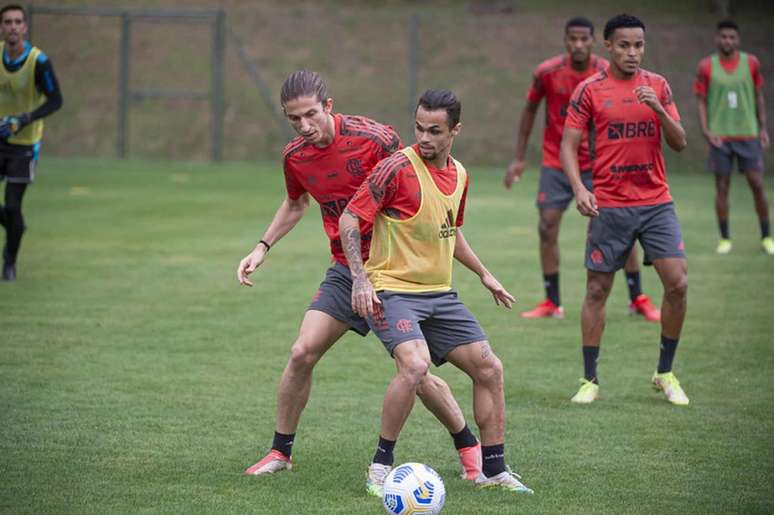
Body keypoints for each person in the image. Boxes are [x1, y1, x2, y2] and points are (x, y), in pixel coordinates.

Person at [236, 71, 482, 480]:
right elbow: (295, 205)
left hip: (393, 275)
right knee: (301, 353)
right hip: (345, 272)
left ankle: (469, 446)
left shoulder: (376, 139)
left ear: (328, 106)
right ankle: (281, 452)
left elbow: (415, 184)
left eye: (311, 115)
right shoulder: (295, 156)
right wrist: (261, 248)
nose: (304, 126)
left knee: (415, 371)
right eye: (294, 119)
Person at [340, 89, 533, 495]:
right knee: (414, 366)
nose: (424, 138)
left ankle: (494, 471)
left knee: (490, 369)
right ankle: (380, 465)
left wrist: (484, 274)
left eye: (435, 131)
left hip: (441, 295)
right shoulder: (394, 169)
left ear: (455, 131)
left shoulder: (461, 174)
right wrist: (359, 278)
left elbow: (450, 230)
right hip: (391, 290)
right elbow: (349, 220)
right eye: (419, 128)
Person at [560, 15, 690, 405]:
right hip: (610, 205)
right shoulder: (590, 91)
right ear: (608, 46)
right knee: (597, 289)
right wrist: (580, 188)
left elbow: (680, 142)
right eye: (624, 45)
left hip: (655, 203)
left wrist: (660, 111)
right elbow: (568, 145)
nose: (632, 52)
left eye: (638, 45)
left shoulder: (658, 87)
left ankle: (665, 372)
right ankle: (589, 380)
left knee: (678, 284)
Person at [504, 16, 659, 322]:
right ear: (565, 41)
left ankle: (637, 298)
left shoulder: (606, 71)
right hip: (556, 161)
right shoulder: (547, 72)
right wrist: (519, 157)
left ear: (593, 41)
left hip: (601, 163)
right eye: (572, 39)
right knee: (547, 225)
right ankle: (552, 302)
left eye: (583, 39)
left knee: (620, 228)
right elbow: (530, 111)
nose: (578, 44)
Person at [694, 19, 772, 255]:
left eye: (732, 37)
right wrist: (707, 131)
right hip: (720, 137)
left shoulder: (751, 63)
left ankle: (767, 236)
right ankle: (725, 238)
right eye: (724, 36)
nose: (727, 40)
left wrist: (763, 128)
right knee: (722, 187)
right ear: (717, 38)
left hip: (748, 134)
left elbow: (758, 96)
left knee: (757, 185)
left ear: (738, 39)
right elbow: (701, 101)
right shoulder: (706, 66)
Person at [0, 4, 62, 281]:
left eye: (17, 22)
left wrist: (26, 118)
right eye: (8, 22)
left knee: (12, 206)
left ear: (24, 27)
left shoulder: (38, 61)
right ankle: (16, 227)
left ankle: (10, 262)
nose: (13, 26)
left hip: (24, 144)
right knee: (13, 218)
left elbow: (56, 100)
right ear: (1, 29)